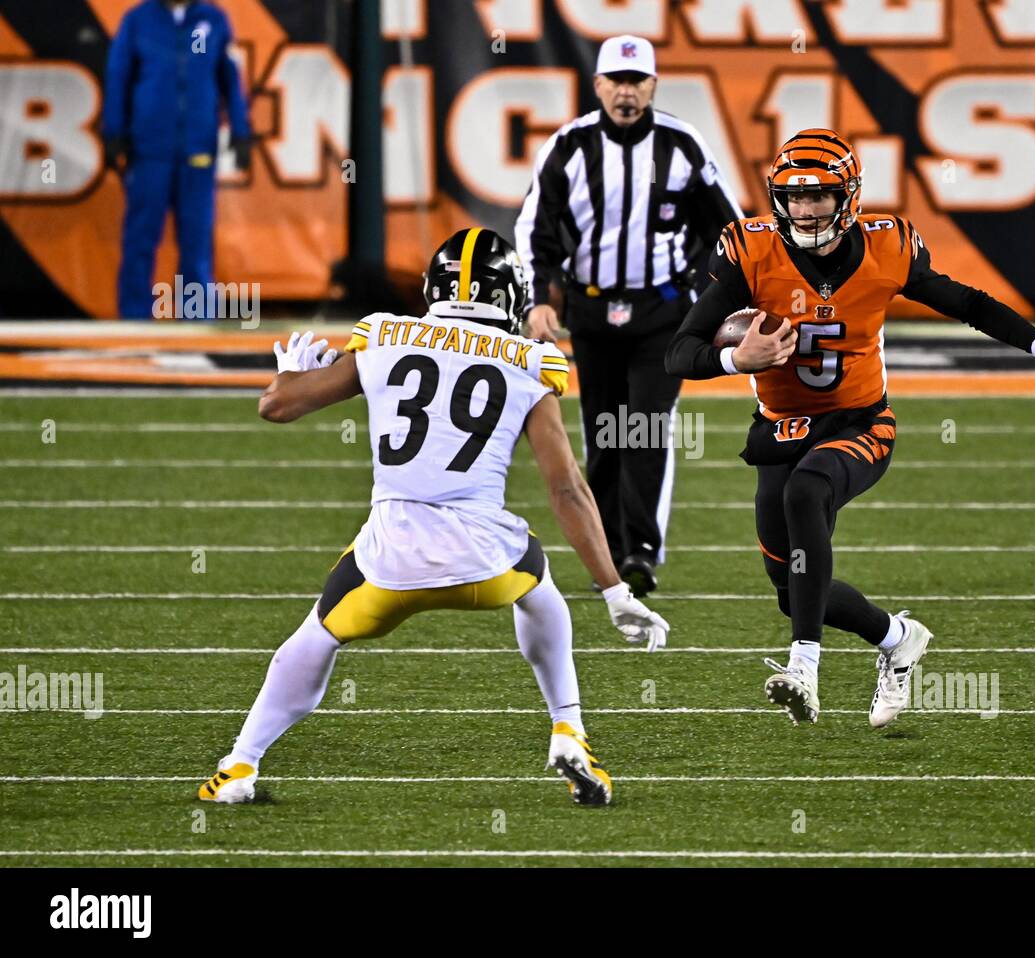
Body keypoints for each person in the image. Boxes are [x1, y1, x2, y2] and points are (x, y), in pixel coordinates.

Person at [198, 228, 669, 807]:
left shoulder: (383, 336)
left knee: (316, 634)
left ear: (432, 289)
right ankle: (568, 728)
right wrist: (614, 589)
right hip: (485, 564)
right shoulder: (530, 361)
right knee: (539, 582)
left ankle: (239, 764)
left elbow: (276, 406)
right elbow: (567, 488)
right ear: (510, 297)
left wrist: (292, 372)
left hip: (386, 562)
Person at [665, 129, 1035, 728]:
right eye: (793, 197)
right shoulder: (750, 253)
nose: (804, 209)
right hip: (779, 428)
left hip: (860, 423)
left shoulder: (886, 247)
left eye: (819, 196)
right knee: (789, 587)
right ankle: (897, 637)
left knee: (808, 490)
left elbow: (968, 303)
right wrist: (733, 361)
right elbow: (680, 351)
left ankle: (805, 668)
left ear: (846, 198)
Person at [515, 34, 742, 596]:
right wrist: (540, 298)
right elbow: (534, 229)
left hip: (662, 311)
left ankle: (640, 549)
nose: (625, 91)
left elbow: (729, 229)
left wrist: (704, 295)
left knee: (644, 426)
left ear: (653, 86)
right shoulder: (568, 147)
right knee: (602, 430)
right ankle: (609, 552)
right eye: (615, 80)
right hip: (591, 309)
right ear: (597, 85)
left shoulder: (683, 146)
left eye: (636, 81)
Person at [102, 0, 251, 319]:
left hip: (197, 149)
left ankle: (196, 320)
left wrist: (240, 129)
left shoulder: (212, 19)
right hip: (149, 149)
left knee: (196, 240)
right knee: (140, 238)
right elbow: (119, 75)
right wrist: (113, 130)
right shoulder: (139, 20)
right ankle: (134, 317)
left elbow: (229, 78)